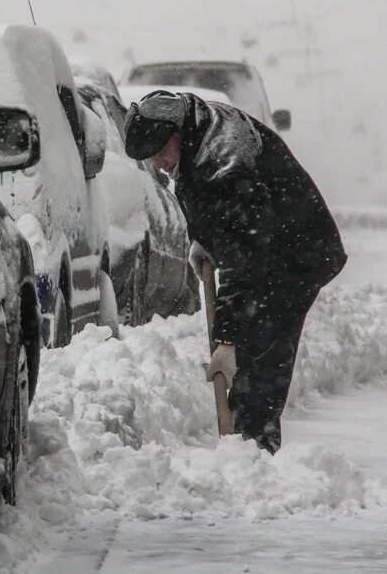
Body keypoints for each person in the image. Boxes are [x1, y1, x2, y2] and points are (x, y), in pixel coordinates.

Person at [123, 90, 347, 454]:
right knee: (253, 347)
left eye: (161, 151)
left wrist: (227, 340)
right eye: (152, 158)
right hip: (270, 246)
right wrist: (205, 240)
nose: (159, 163)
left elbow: (244, 261)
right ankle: (249, 442)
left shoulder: (225, 163)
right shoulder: (198, 130)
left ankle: (255, 448)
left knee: (261, 352)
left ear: (177, 132)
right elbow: (213, 209)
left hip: (296, 256)